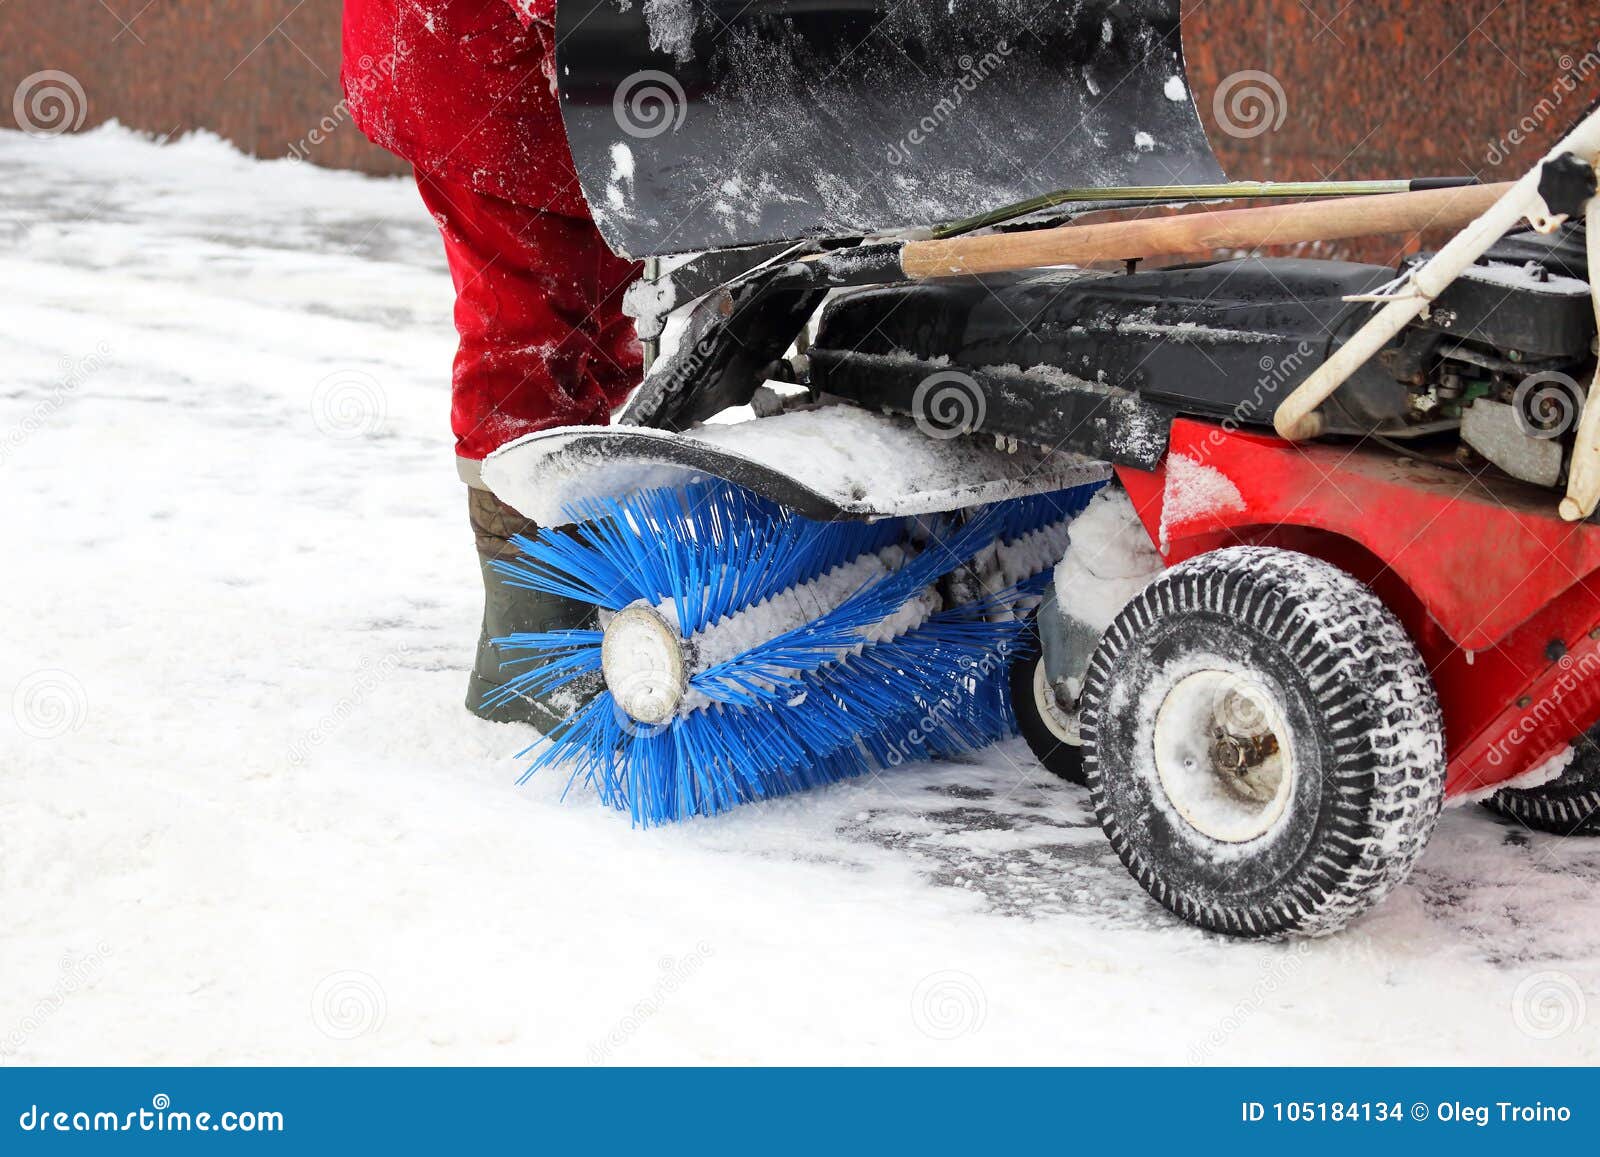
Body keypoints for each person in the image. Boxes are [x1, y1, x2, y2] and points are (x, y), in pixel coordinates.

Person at [341, 0, 643, 727]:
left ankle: (568, 595)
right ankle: (528, 651)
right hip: (474, 73)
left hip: (549, 79)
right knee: (527, 335)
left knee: (595, 323)